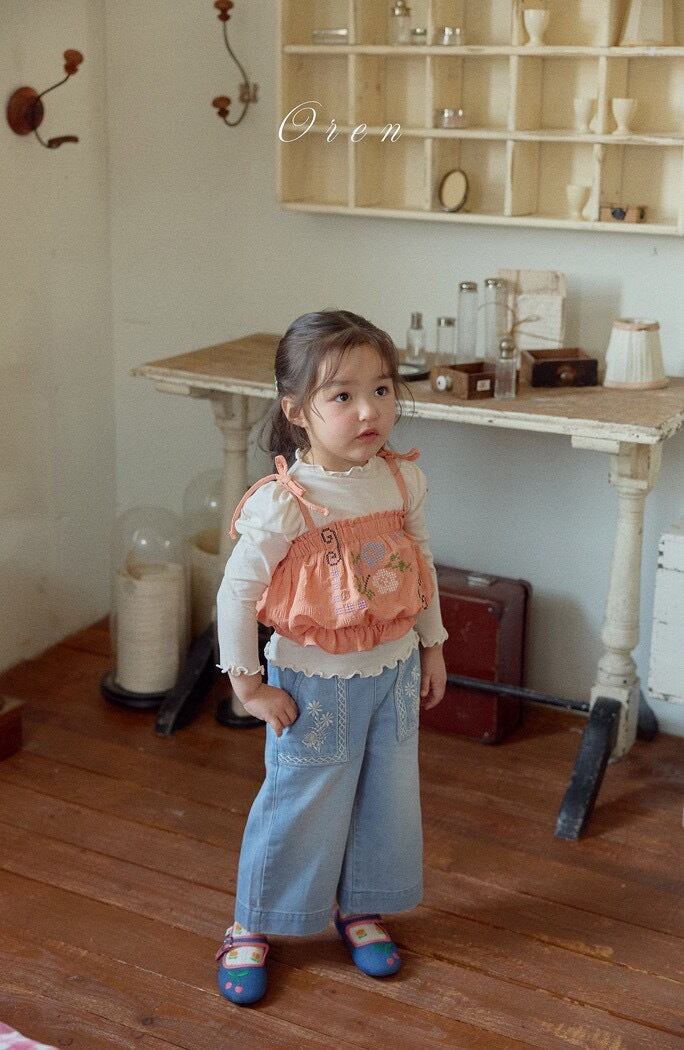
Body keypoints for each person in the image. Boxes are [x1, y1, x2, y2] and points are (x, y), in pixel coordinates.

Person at [214, 309, 448, 1005]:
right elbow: (236, 594)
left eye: (381, 389)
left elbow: (422, 566)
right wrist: (249, 686)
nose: (369, 410)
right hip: (314, 686)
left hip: (393, 673)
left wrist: (432, 644)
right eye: (342, 395)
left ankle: (361, 904)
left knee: (385, 797)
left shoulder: (402, 482)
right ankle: (253, 921)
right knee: (300, 801)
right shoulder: (285, 504)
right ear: (297, 411)